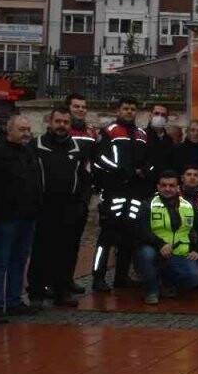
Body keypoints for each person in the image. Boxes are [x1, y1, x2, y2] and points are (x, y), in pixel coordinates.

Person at [0, 115, 44, 323]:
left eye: (28, 129)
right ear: (9, 131)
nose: (26, 133)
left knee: (19, 260)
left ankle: (14, 301)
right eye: (21, 129)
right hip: (5, 217)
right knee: (0, 262)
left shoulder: (30, 152)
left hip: (28, 216)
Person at [28, 107, 88, 308]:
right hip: (44, 206)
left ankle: (62, 292)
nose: (61, 125)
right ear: (50, 122)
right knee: (41, 251)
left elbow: (85, 177)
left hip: (70, 207)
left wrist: (82, 202)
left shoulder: (77, 148)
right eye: (58, 121)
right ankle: (36, 293)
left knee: (66, 251)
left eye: (65, 122)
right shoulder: (36, 145)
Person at [91, 97, 149, 292]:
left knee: (129, 237)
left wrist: (145, 170)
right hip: (114, 191)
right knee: (106, 238)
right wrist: (121, 171)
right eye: (126, 108)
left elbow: (148, 159)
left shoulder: (142, 134)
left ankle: (121, 277)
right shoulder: (109, 131)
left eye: (132, 109)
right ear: (118, 111)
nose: (129, 112)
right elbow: (100, 158)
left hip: (135, 193)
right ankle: (98, 277)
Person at [134, 171, 198, 305]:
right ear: (158, 187)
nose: (167, 189)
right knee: (146, 254)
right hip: (154, 249)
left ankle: (167, 283)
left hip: (179, 251)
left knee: (194, 278)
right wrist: (160, 244)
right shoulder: (148, 204)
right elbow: (141, 230)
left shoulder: (189, 205)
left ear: (178, 187)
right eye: (164, 185)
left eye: (171, 185)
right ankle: (151, 291)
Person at [63, 93, 96, 296]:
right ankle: (51, 282)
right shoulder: (62, 129)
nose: (81, 110)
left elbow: (94, 160)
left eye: (83, 107)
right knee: (58, 242)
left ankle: (68, 279)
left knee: (75, 240)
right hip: (62, 193)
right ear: (68, 108)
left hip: (83, 194)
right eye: (76, 106)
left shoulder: (91, 131)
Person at [144, 104, 176, 192]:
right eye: (156, 113)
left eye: (163, 115)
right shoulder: (141, 136)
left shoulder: (169, 140)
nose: (159, 117)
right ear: (150, 116)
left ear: (167, 119)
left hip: (165, 187)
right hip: (145, 184)